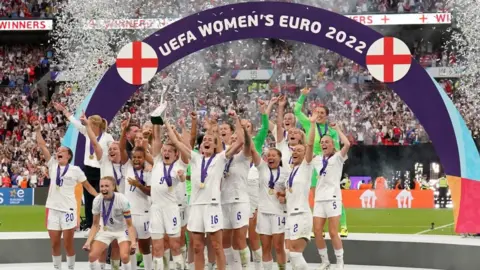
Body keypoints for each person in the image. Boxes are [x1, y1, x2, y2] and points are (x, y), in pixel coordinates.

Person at [165, 116, 243, 270]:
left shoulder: (221, 158)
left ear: (215, 145)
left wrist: (237, 120)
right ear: (200, 146)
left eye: (210, 140)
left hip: (212, 206)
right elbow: (175, 142)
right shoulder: (194, 158)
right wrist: (165, 121)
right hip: (195, 207)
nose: (206, 141)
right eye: (204, 140)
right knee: (197, 247)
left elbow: (240, 141)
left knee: (216, 246)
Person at [35, 121, 98, 270]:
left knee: (68, 244)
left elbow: (88, 187)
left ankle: (70, 268)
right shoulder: (52, 165)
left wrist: (100, 197)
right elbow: (43, 146)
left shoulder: (76, 170)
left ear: (68, 156)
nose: (58, 151)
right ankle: (57, 268)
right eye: (58, 150)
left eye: (62, 150)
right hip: (53, 210)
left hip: (68, 211)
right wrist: (37, 130)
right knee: (54, 243)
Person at [293, 88, 348, 238]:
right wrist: (303, 94)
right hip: (313, 164)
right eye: (317, 112)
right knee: (316, 195)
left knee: (333, 193)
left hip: (328, 165)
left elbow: (337, 148)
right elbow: (297, 110)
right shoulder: (308, 122)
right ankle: (319, 229)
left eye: (322, 113)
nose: (319, 115)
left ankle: (343, 226)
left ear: (327, 115)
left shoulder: (332, 131)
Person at [54, 103, 115, 231]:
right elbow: (75, 123)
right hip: (88, 169)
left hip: (101, 171)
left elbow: (114, 148)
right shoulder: (87, 133)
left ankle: (103, 223)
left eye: (90, 124)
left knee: (100, 197)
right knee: (88, 198)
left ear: (97, 125)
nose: (88, 126)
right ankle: (88, 223)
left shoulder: (107, 137)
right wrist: (64, 110)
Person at [149, 102, 189, 270]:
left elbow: (182, 177)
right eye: (164, 150)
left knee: (175, 246)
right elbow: (156, 138)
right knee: (157, 248)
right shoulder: (157, 161)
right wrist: (157, 118)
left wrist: (181, 177)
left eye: (169, 151)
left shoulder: (180, 165)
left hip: (171, 208)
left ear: (175, 154)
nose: (165, 153)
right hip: (156, 208)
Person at [85, 117, 125, 270]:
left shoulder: (125, 165)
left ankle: (114, 267)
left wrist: (123, 131)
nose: (112, 150)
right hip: (105, 205)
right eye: (110, 149)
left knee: (116, 244)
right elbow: (94, 142)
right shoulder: (104, 161)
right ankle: (101, 268)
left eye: (115, 149)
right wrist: (88, 125)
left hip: (121, 206)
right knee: (103, 242)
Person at [279, 110, 317, 270]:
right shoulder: (291, 172)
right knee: (288, 252)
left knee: (294, 253)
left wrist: (313, 123)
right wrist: (283, 195)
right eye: (294, 151)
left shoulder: (306, 167)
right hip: (289, 214)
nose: (295, 152)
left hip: (301, 214)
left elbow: (310, 144)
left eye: (299, 151)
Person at [312, 121, 351, 270]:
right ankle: (325, 261)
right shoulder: (317, 160)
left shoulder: (338, 157)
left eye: (327, 142)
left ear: (332, 144)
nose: (323, 144)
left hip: (333, 198)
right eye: (322, 142)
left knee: (333, 232)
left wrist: (338, 129)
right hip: (319, 199)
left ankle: (340, 262)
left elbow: (347, 144)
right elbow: (308, 150)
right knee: (317, 231)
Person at [119, 116, 153, 270]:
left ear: (144, 158)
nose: (137, 160)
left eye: (139, 157)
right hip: (129, 214)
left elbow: (150, 192)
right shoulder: (127, 167)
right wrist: (122, 131)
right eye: (134, 157)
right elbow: (121, 149)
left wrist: (138, 184)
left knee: (145, 247)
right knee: (130, 246)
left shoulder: (148, 171)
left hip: (144, 212)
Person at [83, 176, 137, 270]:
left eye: (106, 186)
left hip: (122, 231)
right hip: (106, 230)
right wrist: (88, 242)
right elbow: (95, 225)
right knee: (92, 256)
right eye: (102, 186)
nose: (104, 189)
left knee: (124, 257)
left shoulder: (122, 199)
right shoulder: (97, 200)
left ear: (113, 187)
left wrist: (133, 242)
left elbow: (129, 225)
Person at [220, 110, 252, 269]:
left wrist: (237, 120)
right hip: (223, 201)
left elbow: (245, 141)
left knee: (240, 240)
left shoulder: (245, 156)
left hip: (240, 201)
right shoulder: (223, 157)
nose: (234, 142)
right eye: (231, 140)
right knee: (225, 240)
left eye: (236, 139)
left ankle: (245, 267)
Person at [242, 99, 270, 270]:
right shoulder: (231, 146)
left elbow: (266, 129)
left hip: (253, 192)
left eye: (248, 126)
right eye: (242, 126)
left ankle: (258, 266)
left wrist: (263, 112)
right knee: (236, 235)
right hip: (235, 192)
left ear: (252, 131)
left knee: (253, 233)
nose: (245, 129)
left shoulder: (256, 143)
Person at [251, 146, 289, 270]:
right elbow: (252, 149)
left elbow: (291, 192)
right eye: (269, 155)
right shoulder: (262, 167)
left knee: (278, 246)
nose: (270, 157)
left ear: (280, 158)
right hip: (263, 212)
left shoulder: (286, 172)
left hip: (278, 212)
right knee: (266, 247)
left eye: (274, 155)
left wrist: (285, 196)